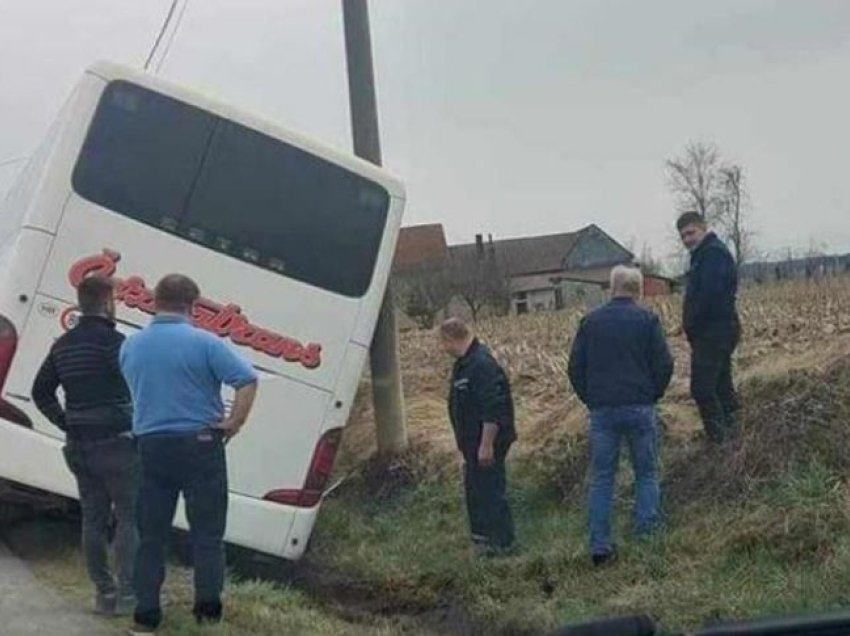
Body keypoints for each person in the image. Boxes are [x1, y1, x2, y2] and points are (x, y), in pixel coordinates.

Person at [120, 274, 258, 633]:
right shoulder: (205, 343)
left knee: (151, 535)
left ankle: (146, 616)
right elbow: (246, 379)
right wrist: (233, 422)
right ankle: (207, 613)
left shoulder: (131, 346)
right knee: (207, 534)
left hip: (151, 445)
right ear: (193, 305)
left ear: (154, 301)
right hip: (200, 445)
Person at [31, 276, 138, 616]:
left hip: (79, 446)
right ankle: (127, 595)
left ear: (80, 302)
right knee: (129, 518)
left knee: (93, 520)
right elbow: (138, 387)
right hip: (118, 444)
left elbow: (40, 391)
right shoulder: (117, 344)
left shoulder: (63, 345)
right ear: (108, 302)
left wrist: (65, 421)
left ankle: (103, 594)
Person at [568, 266, 673, 565]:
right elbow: (664, 364)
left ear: (612, 288)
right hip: (640, 406)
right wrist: (653, 394)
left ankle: (600, 545)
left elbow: (575, 367)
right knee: (647, 472)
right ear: (638, 290)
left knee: (602, 478)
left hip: (602, 410)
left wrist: (591, 398)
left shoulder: (590, 322)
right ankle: (647, 537)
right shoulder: (648, 320)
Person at [441, 317, 517, 556]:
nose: (443, 349)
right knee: (476, 491)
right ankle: (484, 541)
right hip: (472, 443)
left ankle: (503, 544)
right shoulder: (465, 364)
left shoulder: (481, 365)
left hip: (486, 442)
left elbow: (493, 407)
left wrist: (486, 445)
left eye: (442, 343)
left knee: (490, 491)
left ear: (450, 339)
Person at [677, 212, 741, 444]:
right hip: (717, 331)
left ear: (703, 229)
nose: (687, 240)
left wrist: (692, 323)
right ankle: (735, 436)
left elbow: (709, 297)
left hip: (714, 332)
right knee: (721, 385)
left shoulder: (712, 254)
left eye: (691, 233)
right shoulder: (703, 255)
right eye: (683, 236)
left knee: (702, 388)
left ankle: (719, 443)